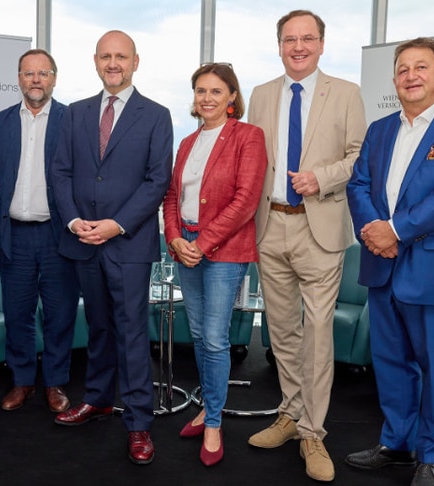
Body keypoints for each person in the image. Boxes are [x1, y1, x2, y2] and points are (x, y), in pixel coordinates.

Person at [345, 37, 434, 486]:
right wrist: (374, 231)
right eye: (403, 68)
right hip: (382, 265)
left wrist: (395, 230)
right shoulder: (380, 129)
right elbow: (358, 186)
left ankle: (433, 456)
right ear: (394, 79)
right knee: (389, 363)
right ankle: (397, 443)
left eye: (421, 67)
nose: (411, 75)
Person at [245, 9, 367, 482]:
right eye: (290, 39)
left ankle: (314, 431)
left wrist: (323, 177)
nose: (298, 46)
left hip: (320, 227)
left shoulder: (347, 94)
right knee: (281, 332)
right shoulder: (260, 95)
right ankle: (290, 414)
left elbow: (359, 156)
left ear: (321, 44)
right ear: (279, 45)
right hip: (270, 225)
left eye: (307, 38)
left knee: (317, 333)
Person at [49, 30, 173, 465]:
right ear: (96, 61)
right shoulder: (76, 114)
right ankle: (98, 399)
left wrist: (115, 225)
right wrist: (74, 220)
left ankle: (138, 422)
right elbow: (60, 173)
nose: (113, 63)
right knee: (98, 327)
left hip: (129, 243)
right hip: (83, 240)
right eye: (106, 56)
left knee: (132, 333)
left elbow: (158, 180)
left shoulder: (157, 115)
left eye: (121, 56)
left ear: (135, 62)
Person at [163, 63, 266, 467]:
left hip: (223, 250)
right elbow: (172, 196)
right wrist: (175, 238)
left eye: (216, 91)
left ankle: (214, 422)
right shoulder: (187, 142)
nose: (207, 98)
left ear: (232, 98)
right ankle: (207, 407)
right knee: (200, 337)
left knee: (216, 337)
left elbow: (246, 200)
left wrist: (202, 243)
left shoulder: (248, 136)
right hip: (184, 245)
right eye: (200, 91)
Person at [0, 48, 80, 414]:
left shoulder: (74, 120)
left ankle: (54, 382)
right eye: (28, 73)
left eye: (43, 73)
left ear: (54, 77)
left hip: (59, 236)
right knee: (16, 312)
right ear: (18, 78)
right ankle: (22, 381)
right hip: (13, 236)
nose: (36, 80)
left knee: (60, 312)